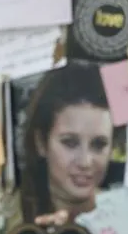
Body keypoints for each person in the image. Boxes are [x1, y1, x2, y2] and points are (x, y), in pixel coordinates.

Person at [19, 63, 116, 223]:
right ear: (41, 142)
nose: (85, 162)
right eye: (70, 143)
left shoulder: (125, 218)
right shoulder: (6, 220)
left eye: (98, 145)